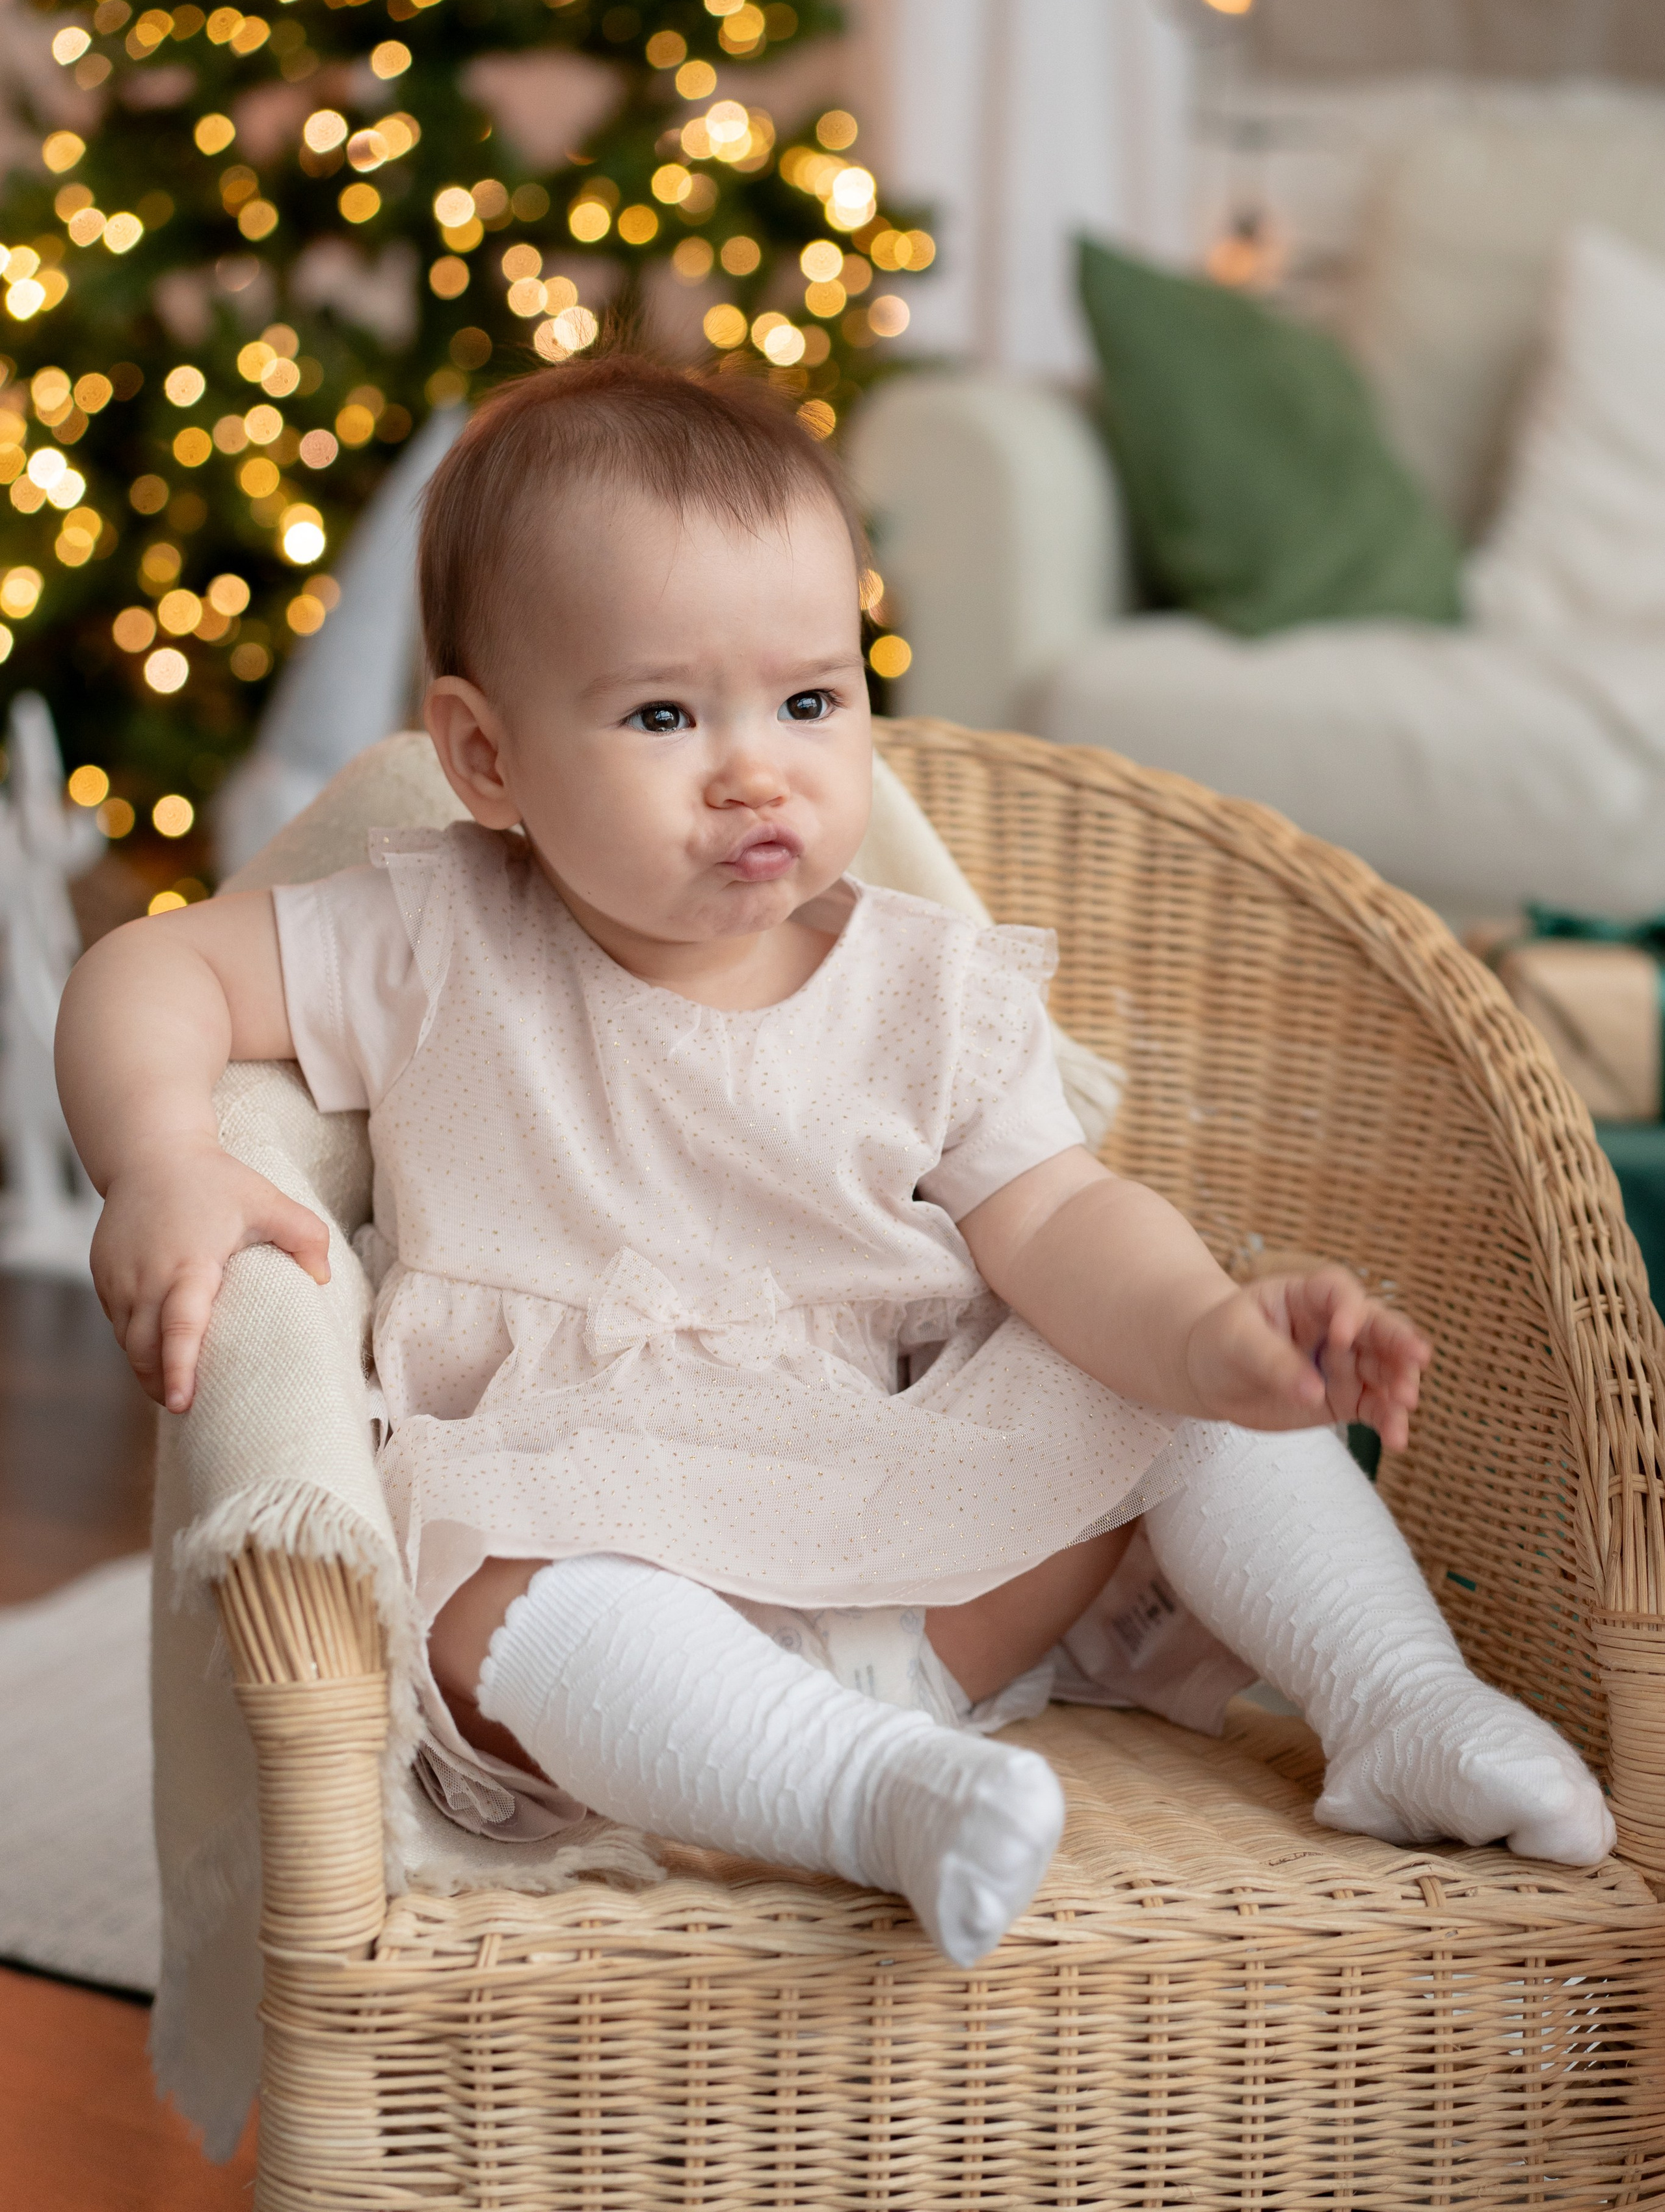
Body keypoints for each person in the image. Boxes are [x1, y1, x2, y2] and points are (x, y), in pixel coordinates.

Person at [56, 356, 1614, 1968]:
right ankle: (862, 1791)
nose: (757, 769)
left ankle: (1398, 1701)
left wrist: (1215, 1334)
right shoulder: (435, 932)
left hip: (914, 1541)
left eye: (810, 701)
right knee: (475, 1592)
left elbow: (1061, 1218)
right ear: (486, 757)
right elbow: (147, 972)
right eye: (664, 714)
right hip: (621, 1556)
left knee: (1174, 1394)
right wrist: (163, 1157)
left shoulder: (924, 987)